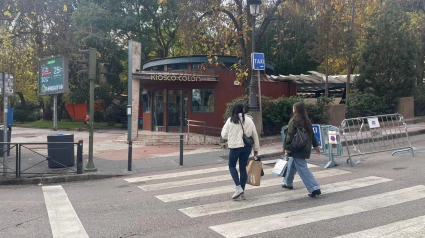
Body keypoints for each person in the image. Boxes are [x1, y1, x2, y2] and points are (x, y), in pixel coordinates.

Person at [221, 103, 260, 200]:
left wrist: (231, 136)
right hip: (247, 147)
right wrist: (256, 149)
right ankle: (242, 191)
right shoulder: (249, 120)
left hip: (234, 147)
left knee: (232, 166)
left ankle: (238, 187)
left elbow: (224, 135)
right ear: (243, 110)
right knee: (243, 168)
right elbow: (254, 134)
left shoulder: (230, 120)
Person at [283, 102, 322, 198]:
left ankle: (314, 188)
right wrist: (316, 146)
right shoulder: (307, 120)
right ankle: (288, 182)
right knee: (292, 163)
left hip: (296, 148)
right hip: (305, 147)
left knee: (302, 168)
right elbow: (311, 135)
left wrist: (287, 149)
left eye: (293, 108)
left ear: (295, 109)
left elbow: (289, 136)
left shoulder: (294, 120)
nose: (292, 109)